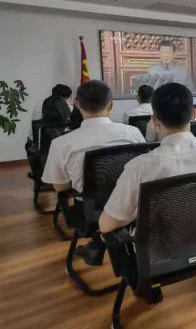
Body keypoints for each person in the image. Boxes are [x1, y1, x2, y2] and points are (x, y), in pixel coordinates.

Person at [100, 83, 196, 235]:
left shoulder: (139, 167)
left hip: (159, 246)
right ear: (193, 114)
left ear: (154, 120)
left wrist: (138, 210)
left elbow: (106, 225)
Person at [41, 80, 145, 264]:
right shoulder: (133, 133)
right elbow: (142, 167)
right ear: (110, 105)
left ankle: (98, 244)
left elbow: (60, 187)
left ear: (77, 104)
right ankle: (99, 245)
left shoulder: (61, 143)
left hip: (91, 212)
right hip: (132, 204)